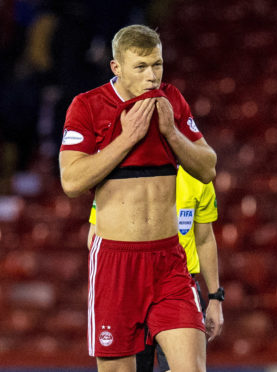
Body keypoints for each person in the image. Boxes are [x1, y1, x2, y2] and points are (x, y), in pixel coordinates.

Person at [59, 24, 217, 372]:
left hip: (168, 260)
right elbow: (71, 181)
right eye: (141, 67)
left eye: (157, 65)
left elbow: (208, 168)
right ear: (116, 67)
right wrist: (127, 138)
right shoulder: (87, 106)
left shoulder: (171, 100)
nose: (152, 76)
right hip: (117, 261)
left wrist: (172, 133)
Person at [87, 166, 224, 372]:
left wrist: (215, 297)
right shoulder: (123, 175)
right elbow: (95, 237)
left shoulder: (197, 176)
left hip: (178, 285)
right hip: (130, 287)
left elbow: (204, 239)